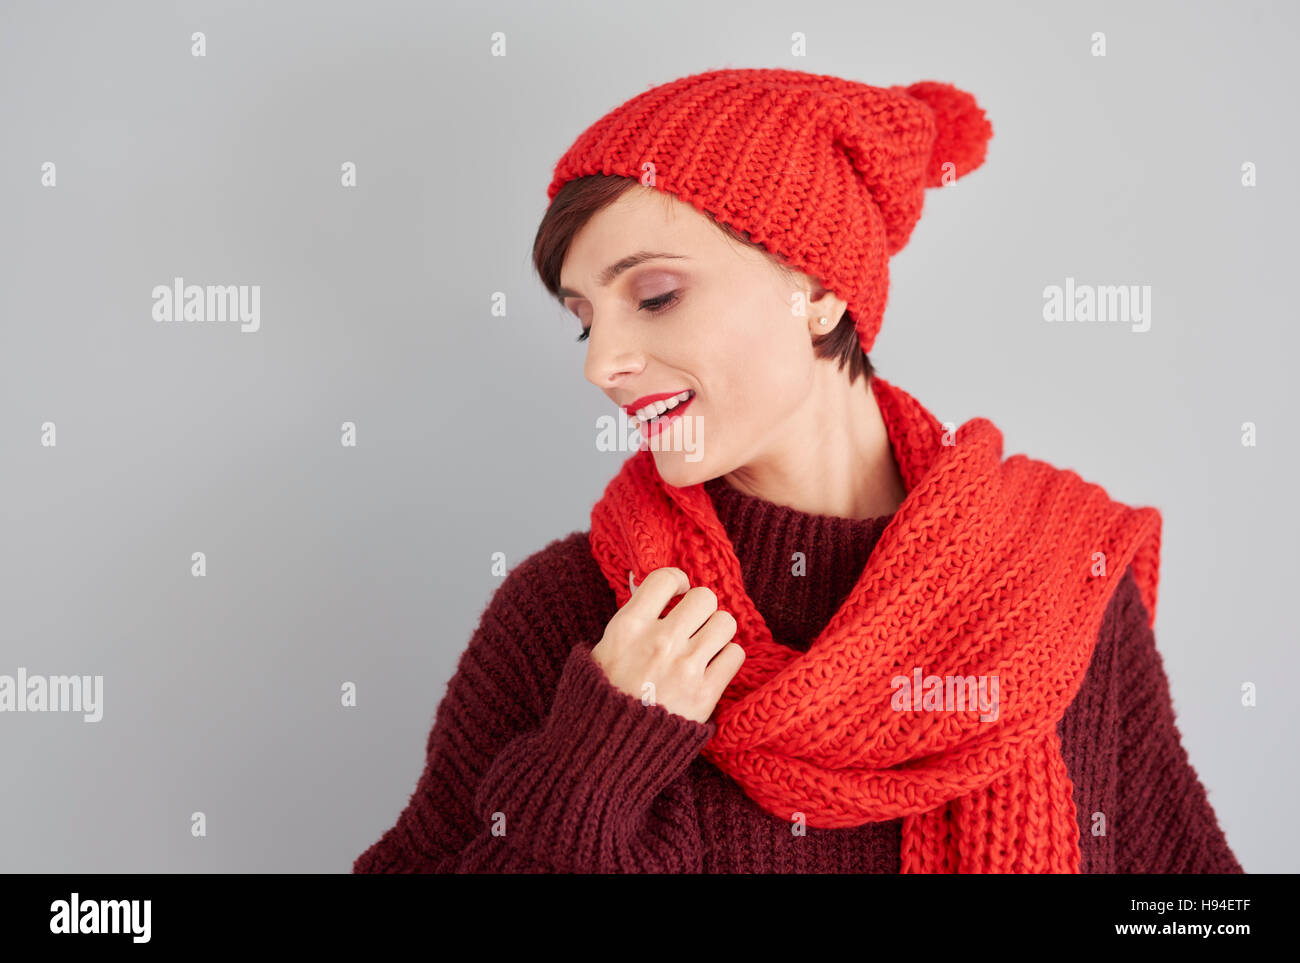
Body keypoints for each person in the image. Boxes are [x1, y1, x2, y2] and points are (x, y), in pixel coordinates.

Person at [354, 67, 1242, 873]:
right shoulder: (577, 618)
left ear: (817, 291)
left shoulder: (1055, 584)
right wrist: (593, 769)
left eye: (655, 296)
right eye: (586, 320)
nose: (602, 363)